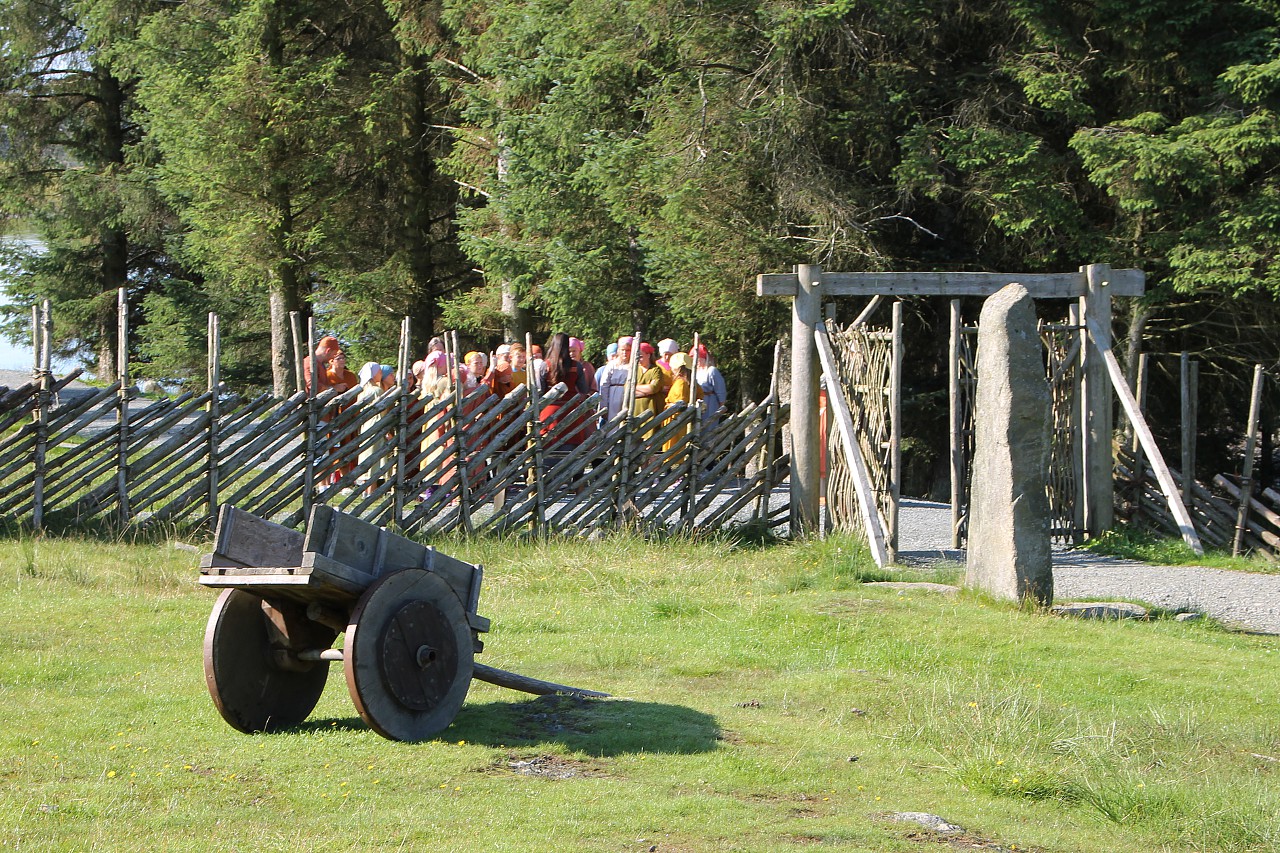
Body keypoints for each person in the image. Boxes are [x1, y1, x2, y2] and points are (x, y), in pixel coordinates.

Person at [537, 332, 592, 446]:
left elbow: (539, 391)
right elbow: (583, 390)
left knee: (549, 446)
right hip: (571, 409)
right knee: (570, 446)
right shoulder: (576, 366)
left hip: (549, 410)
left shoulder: (545, 365)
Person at [663, 351, 703, 452]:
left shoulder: (681, 383)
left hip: (676, 420)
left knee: (674, 447)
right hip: (682, 420)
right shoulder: (692, 383)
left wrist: (671, 406)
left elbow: (680, 403)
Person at [597, 336, 632, 421]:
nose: (625, 353)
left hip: (629, 396)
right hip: (613, 397)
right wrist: (603, 406)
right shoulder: (612, 364)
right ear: (618, 350)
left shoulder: (634, 365)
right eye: (622, 350)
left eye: (627, 350)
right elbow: (604, 385)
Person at [694, 344, 727, 430]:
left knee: (709, 426)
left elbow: (720, 389)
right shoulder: (695, 372)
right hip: (698, 402)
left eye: (698, 357)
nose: (696, 360)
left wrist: (721, 405)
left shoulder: (711, 370)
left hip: (710, 402)